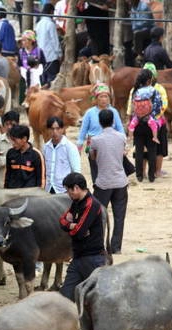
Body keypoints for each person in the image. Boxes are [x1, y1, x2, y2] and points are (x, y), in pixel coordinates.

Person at [59, 172, 106, 301]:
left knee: (96, 299)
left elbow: (78, 233)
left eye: (69, 191)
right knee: (66, 297)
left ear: (76, 188)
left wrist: (74, 227)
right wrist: (72, 226)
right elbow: (62, 221)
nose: (68, 194)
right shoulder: (76, 203)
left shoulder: (91, 204)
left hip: (93, 259)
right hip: (78, 257)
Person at [89, 109, 128, 254]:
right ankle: (116, 247)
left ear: (100, 122)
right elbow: (122, 153)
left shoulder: (96, 140)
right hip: (120, 181)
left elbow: (93, 157)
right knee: (119, 217)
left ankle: (98, 245)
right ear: (113, 121)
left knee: (98, 216)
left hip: (103, 183)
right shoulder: (121, 137)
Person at [77, 83, 124, 183]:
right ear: (96, 98)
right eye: (101, 96)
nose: (104, 99)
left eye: (106, 96)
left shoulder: (114, 112)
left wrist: (124, 145)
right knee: (95, 170)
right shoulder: (90, 113)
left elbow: (120, 129)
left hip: (111, 144)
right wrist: (79, 147)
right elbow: (83, 131)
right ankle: (96, 185)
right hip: (93, 146)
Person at [43, 116, 81, 194]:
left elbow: (76, 171)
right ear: (47, 130)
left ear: (63, 129)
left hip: (64, 190)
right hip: (48, 189)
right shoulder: (46, 147)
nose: (55, 132)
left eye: (58, 128)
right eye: (52, 129)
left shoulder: (70, 147)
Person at [127, 68, 162, 145]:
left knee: (138, 151)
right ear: (149, 81)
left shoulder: (135, 91)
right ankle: (155, 137)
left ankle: (130, 137)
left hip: (137, 121)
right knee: (157, 125)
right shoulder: (153, 90)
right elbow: (158, 108)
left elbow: (132, 107)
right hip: (149, 119)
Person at [0, 111, 19, 188]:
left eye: (12, 124)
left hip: (18, 184)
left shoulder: (23, 141)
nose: (9, 127)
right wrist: (10, 160)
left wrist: (0, 159)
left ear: (18, 124)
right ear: (3, 125)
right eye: (7, 124)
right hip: (1, 184)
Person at [35, 4, 61, 85]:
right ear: (51, 11)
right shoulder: (51, 24)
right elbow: (55, 41)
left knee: (44, 79)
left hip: (41, 56)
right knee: (52, 80)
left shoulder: (38, 24)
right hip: (51, 56)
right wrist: (59, 54)